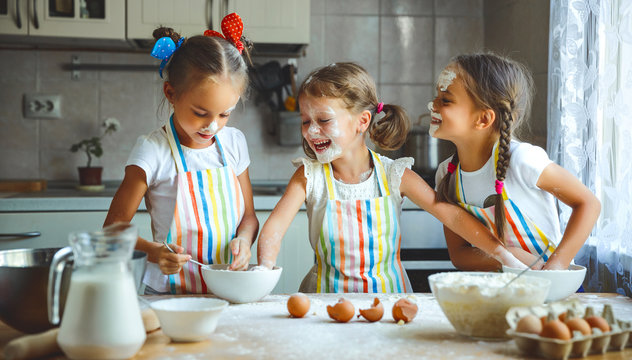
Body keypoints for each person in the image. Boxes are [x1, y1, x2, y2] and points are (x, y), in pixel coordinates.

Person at [256, 62, 527, 293]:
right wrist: (262, 271)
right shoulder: (308, 176)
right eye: (305, 121)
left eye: (324, 120)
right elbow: (274, 229)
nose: (311, 131)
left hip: (390, 301)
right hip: (324, 302)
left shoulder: (395, 174)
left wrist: (502, 255)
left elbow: (452, 216)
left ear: (362, 121)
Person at [104, 13, 259, 294]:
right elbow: (113, 229)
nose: (212, 125)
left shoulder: (234, 142)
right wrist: (154, 251)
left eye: (225, 114)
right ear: (171, 93)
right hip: (168, 294)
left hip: (227, 289)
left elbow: (248, 218)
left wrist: (245, 242)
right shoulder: (152, 150)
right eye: (201, 113)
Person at [431, 53, 601, 271]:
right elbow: (459, 255)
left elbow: (589, 204)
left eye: (445, 100)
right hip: (498, 292)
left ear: (483, 119)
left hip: (551, 291)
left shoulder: (522, 160)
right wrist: (508, 257)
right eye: (436, 97)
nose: (433, 105)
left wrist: (556, 266)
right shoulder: (446, 173)